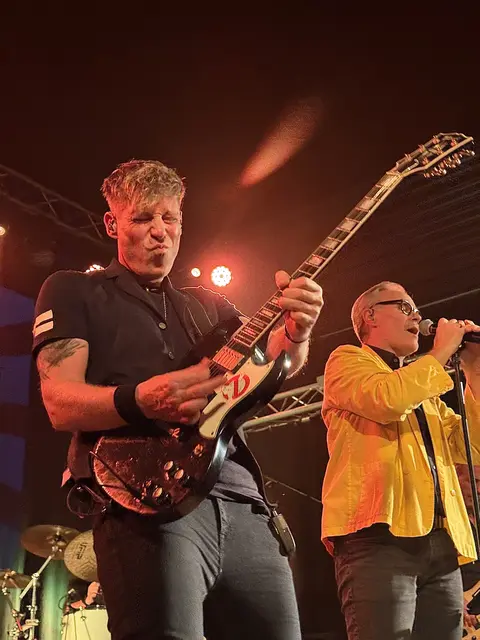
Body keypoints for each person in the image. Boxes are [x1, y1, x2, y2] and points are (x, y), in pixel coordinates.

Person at [31, 159, 324, 640]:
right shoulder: (72, 290)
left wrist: (298, 333)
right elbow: (59, 402)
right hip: (144, 503)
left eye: (170, 218)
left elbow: (273, 369)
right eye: (143, 218)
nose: (159, 232)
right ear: (112, 224)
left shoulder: (210, 304)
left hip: (244, 502)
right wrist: (141, 399)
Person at [320, 280, 480, 640]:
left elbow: (472, 448)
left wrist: (475, 371)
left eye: (416, 309)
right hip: (378, 536)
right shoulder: (347, 360)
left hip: (441, 539)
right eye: (405, 307)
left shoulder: (422, 385)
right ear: (370, 316)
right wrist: (441, 351)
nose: (418, 316)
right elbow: (387, 400)